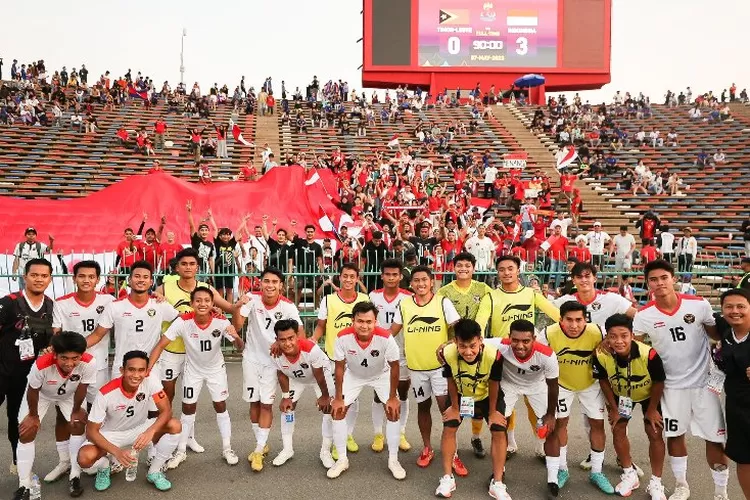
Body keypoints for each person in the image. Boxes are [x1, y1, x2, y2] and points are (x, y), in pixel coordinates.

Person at [633, 259, 729, 500]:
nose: (659, 283)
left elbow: (717, 336)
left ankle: (721, 492)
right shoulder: (643, 315)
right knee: (675, 436)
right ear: (648, 284)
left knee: (714, 439)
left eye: (663, 277)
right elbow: (634, 344)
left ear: (673, 278)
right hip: (671, 386)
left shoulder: (699, 305)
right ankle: (681, 485)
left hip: (705, 384)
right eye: (653, 280)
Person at [154, 247, 240, 454]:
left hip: (197, 354)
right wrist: (155, 297)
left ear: (197, 267)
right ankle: (168, 436)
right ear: (177, 267)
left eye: (192, 264)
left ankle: (189, 438)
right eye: (184, 264)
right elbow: (150, 302)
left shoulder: (205, 288)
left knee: (190, 399)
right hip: (173, 350)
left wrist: (237, 307)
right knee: (169, 394)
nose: (188, 267)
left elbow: (230, 308)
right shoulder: (165, 287)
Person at [149, 287, 244, 469]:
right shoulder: (183, 322)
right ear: (192, 303)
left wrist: (235, 336)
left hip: (215, 370)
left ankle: (227, 448)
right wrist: (148, 368)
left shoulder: (221, 321)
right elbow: (161, 344)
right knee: (188, 408)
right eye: (198, 300)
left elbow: (240, 347)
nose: (202, 304)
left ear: (212, 304)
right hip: (193, 370)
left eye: (207, 301)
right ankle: (181, 451)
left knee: (220, 405)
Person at [475, 255, 560, 456]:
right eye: (502, 269)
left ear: (518, 271)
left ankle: (540, 445)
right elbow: (480, 322)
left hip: (529, 354)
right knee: (506, 403)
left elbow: (556, 315)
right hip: (504, 354)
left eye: (510, 268)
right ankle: (510, 442)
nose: (506, 272)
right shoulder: (491, 297)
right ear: (497, 272)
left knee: (533, 403)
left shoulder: (530, 294)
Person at [47, 261, 115, 483]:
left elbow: (136, 302)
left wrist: (159, 296)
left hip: (99, 368)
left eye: (91, 276)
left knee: (99, 415)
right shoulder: (62, 303)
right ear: (74, 278)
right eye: (82, 276)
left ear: (98, 279)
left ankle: (99, 456)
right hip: (68, 368)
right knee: (64, 415)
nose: (87, 280)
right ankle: (65, 461)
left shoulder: (109, 301)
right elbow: (56, 334)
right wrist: (68, 355)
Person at [538, 300, 615, 494]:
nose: (574, 325)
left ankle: (597, 472)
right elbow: (536, 356)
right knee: (560, 424)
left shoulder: (598, 331)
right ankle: (562, 469)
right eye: (569, 320)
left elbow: (617, 343)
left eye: (579, 320)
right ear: (560, 320)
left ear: (585, 319)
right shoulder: (548, 333)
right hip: (562, 385)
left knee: (597, 424)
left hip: (590, 384)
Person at [77, 351, 182, 492]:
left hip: (140, 429)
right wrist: (117, 452)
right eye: (131, 370)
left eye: (141, 370)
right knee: (84, 458)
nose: (136, 375)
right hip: (112, 434)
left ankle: (154, 471)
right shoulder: (105, 393)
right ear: (122, 370)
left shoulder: (150, 380)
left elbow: (167, 411)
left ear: (146, 371)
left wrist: (151, 432)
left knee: (174, 425)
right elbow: (91, 432)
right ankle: (104, 467)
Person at [391, 266, 462, 472]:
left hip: (440, 369)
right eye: (416, 280)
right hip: (416, 368)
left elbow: (459, 331)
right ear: (411, 284)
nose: (420, 284)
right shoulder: (404, 305)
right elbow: (391, 332)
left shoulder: (442, 302)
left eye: (424, 280)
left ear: (432, 282)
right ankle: (427, 448)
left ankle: (453, 453)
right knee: (423, 408)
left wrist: (448, 344)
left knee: (446, 411)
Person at [232, 267, 304, 471]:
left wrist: (281, 344)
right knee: (253, 403)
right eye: (266, 281)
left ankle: (258, 448)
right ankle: (261, 445)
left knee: (266, 405)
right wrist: (239, 305)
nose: (270, 285)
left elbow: (300, 334)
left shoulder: (288, 307)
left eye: (274, 282)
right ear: (260, 283)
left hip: (274, 363)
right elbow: (237, 326)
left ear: (281, 285)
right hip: (251, 359)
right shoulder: (252, 299)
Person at [592, 314, 667, 499]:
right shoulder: (600, 355)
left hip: (649, 395)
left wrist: (651, 410)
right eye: (613, 336)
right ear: (606, 337)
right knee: (618, 429)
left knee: (654, 431)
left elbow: (659, 381)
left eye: (624, 335)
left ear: (632, 335)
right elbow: (603, 381)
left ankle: (656, 482)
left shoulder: (648, 354)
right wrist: (614, 408)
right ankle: (629, 473)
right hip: (623, 396)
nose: (619, 341)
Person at [327, 301, 404, 480]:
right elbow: (339, 368)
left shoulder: (386, 338)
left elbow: (395, 367)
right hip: (354, 375)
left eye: (369, 321)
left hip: (381, 375)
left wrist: (392, 397)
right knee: (338, 410)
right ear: (353, 321)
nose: (364, 325)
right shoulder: (342, 337)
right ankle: (342, 460)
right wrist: (338, 397)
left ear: (375, 321)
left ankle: (393, 460)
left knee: (393, 410)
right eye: (360, 321)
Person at [435, 318, 510, 499]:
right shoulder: (447, 353)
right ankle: (447, 478)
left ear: (480, 340)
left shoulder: (495, 355)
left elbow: (494, 384)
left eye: (472, 346)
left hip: (486, 395)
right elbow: (451, 380)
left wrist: (492, 412)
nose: (468, 352)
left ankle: (497, 483)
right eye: (462, 346)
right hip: (462, 394)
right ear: (455, 342)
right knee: (449, 427)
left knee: (499, 430)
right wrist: (454, 407)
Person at [13, 332, 94, 500]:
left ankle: (74, 474)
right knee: (27, 431)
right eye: (64, 358)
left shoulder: (89, 362)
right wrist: (33, 416)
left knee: (77, 424)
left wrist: (77, 409)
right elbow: (33, 389)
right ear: (54, 354)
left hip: (69, 395)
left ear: (82, 355)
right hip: (41, 395)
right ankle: (24, 484)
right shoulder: (42, 363)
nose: (70, 363)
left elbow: (82, 387)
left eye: (75, 358)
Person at [485, 319, 560, 498]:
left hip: (537, 386)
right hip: (509, 384)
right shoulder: (501, 345)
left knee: (552, 428)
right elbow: (476, 340)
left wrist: (550, 414)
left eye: (525, 341)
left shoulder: (547, 355)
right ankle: (499, 470)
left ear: (534, 339)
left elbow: (553, 386)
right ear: (509, 337)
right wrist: (446, 345)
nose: (519, 345)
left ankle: (553, 478)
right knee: (499, 425)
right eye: (515, 340)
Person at [0, 258, 55, 475]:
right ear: (25, 277)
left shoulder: (51, 306)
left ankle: (17, 462)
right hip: (2, 369)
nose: (39, 279)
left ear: (50, 279)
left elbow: (54, 338)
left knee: (17, 418)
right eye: (34, 275)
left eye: (44, 276)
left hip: (26, 375)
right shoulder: (9, 302)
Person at [437, 252, 493, 458]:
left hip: (476, 346)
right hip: (455, 347)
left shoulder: (483, 289)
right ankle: (453, 444)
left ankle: (476, 437)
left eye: (467, 265)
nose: (463, 269)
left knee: (479, 391)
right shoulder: (443, 292)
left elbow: (485, 315)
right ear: (453, 268)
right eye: (459, 265)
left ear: (473, 268)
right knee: (458, 393)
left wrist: (478, 339)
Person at [312, 263, 369, 458]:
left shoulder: (364, 299)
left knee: (353, 399)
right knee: (335, 400)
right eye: (345, 276)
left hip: (356, 358)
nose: (348, 280)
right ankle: (335, 440)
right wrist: (312, 340)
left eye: (352, 276)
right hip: (333, 358)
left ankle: (347, 435)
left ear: (357, 278)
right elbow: (322, 326)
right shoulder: (328, 300)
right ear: (340, 277)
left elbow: (368, 328)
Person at [270, 319, 334, 467]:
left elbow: (318, 375)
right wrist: (285, 397)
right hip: (297, 378)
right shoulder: (275, 353)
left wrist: (325, 396)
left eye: (291, 338)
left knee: (328, 410)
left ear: (298, 336)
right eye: (282, 340)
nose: (287, 343)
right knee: (287, 409)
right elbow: (281, 374)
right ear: (277, 340)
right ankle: (287, 449)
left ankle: (325, 451)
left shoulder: (311, 350)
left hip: (321, 376)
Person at [368, 259, 413, 454]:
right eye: (387, 274)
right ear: (382, 276)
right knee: (379, 395)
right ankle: (378, 433)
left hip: (402, 352)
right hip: (378, 352)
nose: (391, 278)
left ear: (401, 276)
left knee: (401, 393)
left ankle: (401, 432)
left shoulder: (409, 297)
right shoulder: (373, 296)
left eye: (395, 274)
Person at [715, 288, 750, 498]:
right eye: (729, 307)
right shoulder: (726, 332)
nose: (735, 311)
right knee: (744, 458)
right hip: (737, 407)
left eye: (741, 306)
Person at [555, 262, 637, 331]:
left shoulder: (611, 299)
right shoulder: (565, 301)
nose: (584, 280)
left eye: (587, 276)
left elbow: (637, 315)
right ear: (573, 280)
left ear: (594, 278)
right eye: (579, 277)